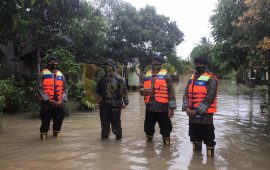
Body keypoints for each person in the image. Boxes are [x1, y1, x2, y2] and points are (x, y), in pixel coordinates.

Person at [182, 55, 218, 156]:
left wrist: (196, 111)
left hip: (205, 117)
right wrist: (186, 108)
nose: (198, 66)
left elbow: (209, 98)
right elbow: (185, 94)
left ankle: (210, 164)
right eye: (196, 64)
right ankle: (196, 163)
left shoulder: (211, 79)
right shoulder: (192, 78)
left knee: (209, 141)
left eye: (200, 64)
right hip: (192, 116)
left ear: (206, 65)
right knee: (194, 139)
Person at [140, 53, 176, 145]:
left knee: (166, 129)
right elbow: (140, 89)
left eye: (156, 62)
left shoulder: (166, 75)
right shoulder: (146, 75)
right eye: (152, 62)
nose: (154, 64)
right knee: (148, 128)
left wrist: (171, 108)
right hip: (149, 106)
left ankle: (166, 149)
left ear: (160, 64)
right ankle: (148, 150)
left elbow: (171, 93)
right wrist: (143, 90)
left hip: (162, 107)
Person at [95, 59, 129, 140]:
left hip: (116, 106)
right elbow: (97, 92)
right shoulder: (101, 80)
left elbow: (123, 92)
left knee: (116, 124)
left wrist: (125, 102)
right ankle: (104, 144)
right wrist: (96, 102)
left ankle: (118, 142)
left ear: (113, 67)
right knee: (104, 126)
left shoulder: (120, 79)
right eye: (105, 66)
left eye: (108, 66)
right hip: (104, 106)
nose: (106, 68)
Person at [37, 55, 68, 140]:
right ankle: (43, 142)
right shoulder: (42, 74)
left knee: (58, 123)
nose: (53, 64)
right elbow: (39, 88)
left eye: (54, 62)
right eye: (51, 62)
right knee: (45, 123)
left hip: (59, 103)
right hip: (47, 103)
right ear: (47, 63)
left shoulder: (61, 74)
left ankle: (56, 140)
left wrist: (62, 100)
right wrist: (48, 100)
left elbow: (65, 89)